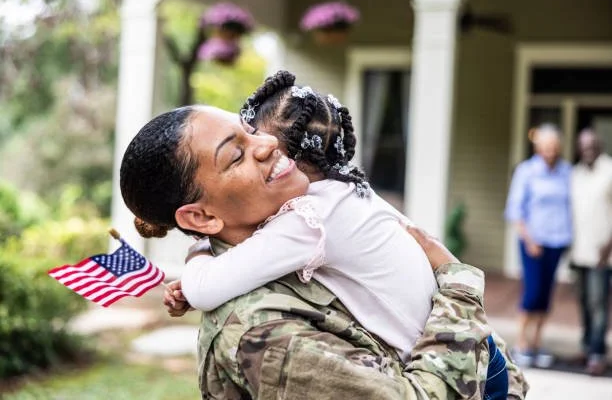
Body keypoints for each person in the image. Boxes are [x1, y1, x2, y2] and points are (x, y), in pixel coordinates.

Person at [119, 102, 527, 399]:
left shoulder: (307, 223)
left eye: (250, 129)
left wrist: (197, 257)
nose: (268, 143)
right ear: (200, 218)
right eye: (237, 154)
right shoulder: (260, 326)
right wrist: (458, 286)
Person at [505, 124, 572, 367]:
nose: (550, 151)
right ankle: (521, 344)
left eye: (554, 147)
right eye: (545, 147)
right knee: (532, 294)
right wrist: (529, 240)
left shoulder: (566, 171)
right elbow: (514, 210)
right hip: (532, 242)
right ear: (537, 147)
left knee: (545, 296)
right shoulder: (527, 171)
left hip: (557, 242)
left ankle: (536, 343)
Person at [570, 128, 612, 376]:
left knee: (598, 304)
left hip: (601, 254)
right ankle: (586, 348)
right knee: (584, 303)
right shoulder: (576, 173)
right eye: (584, 145)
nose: (588, 149)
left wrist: (608, 247)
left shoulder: (610, 170)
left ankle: (598, 354)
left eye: (592, 144)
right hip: (579, 252)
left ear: (600, 145)